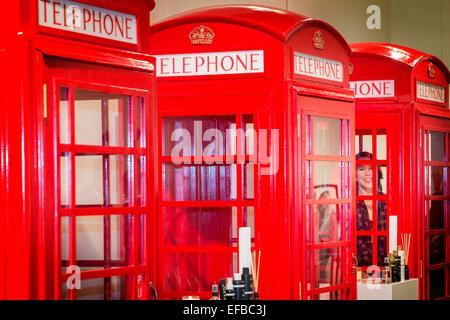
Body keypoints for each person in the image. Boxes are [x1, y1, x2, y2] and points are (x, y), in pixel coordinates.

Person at [356, 151, 387, 267]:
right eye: (361, 169)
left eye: (371, 168)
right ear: (354, 174)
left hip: (384, 269)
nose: (367, 173)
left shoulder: (386, 201)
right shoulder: (350, 203)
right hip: (357, 270)